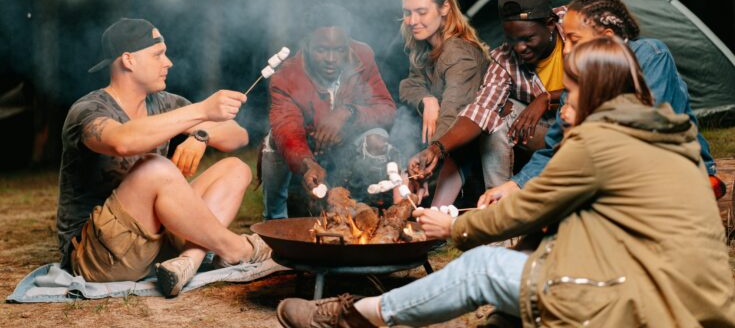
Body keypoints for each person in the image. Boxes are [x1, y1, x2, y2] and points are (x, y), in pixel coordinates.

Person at [275, 36, 735, 328]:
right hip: (688, 305)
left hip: (645, 305)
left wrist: (452, 227)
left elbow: (528, 208)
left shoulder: (602, 141)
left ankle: (352, 317)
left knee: (483, 270)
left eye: (569, 94)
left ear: (599, 93)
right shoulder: (663, 138)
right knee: (530, 263)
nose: (560, 106)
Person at [57, 18, 271, 298]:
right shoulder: (88, 110)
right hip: (97, 254)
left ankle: (188, 262)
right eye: (158, 54)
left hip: (156, 241)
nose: (168, 62)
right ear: (129, 60)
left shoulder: (163, 103)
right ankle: (236, 248)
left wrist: (201, 134)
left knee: (235, 169)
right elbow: (122, 141)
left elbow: (238, 136)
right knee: (156, 166)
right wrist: (201, 110)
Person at [478, 0, 726, 206]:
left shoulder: (650, 56)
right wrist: (516, 185)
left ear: (607, 37)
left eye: (574, 40)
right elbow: (556, 147)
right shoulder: (582, 72)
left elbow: (645, 129)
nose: (566, 50)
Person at [408, 0, 565, 199]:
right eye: (511, 39)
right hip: (542, 131)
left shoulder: (578, 28)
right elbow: (481, 111)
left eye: (528, 38)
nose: (519, 48)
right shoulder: (503, 58)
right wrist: (436, 149)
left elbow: (605, 81)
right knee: (499, 113)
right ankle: (497, 206)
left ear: (549, 24)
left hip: (585, 127)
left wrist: (547, 98)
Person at [261, 4, 397, 219]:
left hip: (346, 144)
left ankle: (362, 210)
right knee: (272, 140)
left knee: (378, 138)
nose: (331, 59)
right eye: (321, 50)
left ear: (348, 44)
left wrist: (347, 113)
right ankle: (274, 219)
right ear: (306, 44)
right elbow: (286, 128)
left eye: (339, 49)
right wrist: (307, 164)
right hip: (308, 154)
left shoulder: (363, 56)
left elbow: (387, 109)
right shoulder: (286, 76)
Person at [393, 0, 490, 206]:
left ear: (445, 7)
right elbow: (409, 85)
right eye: (408, 13)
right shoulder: (424, 45)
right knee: (401, 185)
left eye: (421, 12)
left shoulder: (459, 53)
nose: (412, 21)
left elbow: (454, 114)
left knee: (420, 205)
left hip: (471, 147)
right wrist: (427, 100)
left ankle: (436, 220)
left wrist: (429, 160)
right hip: (443, 143)